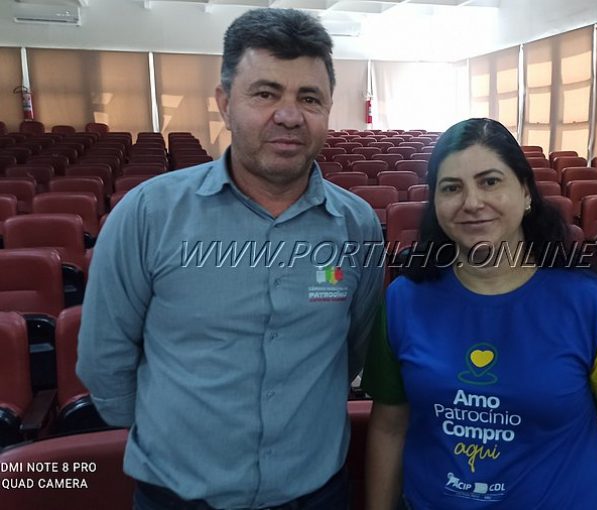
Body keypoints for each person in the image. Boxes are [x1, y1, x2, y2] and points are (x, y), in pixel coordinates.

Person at [76, 8, 384, 510]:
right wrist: (173, 435)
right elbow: (104, 356)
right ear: (224, 102)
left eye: (309, 98)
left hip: (316, 493)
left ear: (328, 108)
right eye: (265, 94)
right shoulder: (148, 214)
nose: (289, 115)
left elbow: (354, 347)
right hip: (176, 496)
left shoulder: (357, 225)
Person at [362, 118, 597, 509]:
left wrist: (564, 462)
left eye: (490, 182)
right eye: (451, 187)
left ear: (525, 193)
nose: (472, 202)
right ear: (435, 203)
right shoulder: (403, 300)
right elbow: (390, 426)